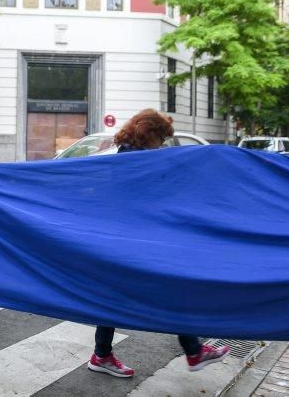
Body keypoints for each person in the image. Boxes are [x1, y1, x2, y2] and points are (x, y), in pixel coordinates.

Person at [87, 109, 228, 378]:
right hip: (134, 243)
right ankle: (192, 350)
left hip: (130, 241)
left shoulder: (131, 155)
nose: (162, 144)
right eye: (161, 138)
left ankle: (103, 354)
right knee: (170, 289)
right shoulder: (134, 160)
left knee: (116, 297)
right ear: (148, 133)